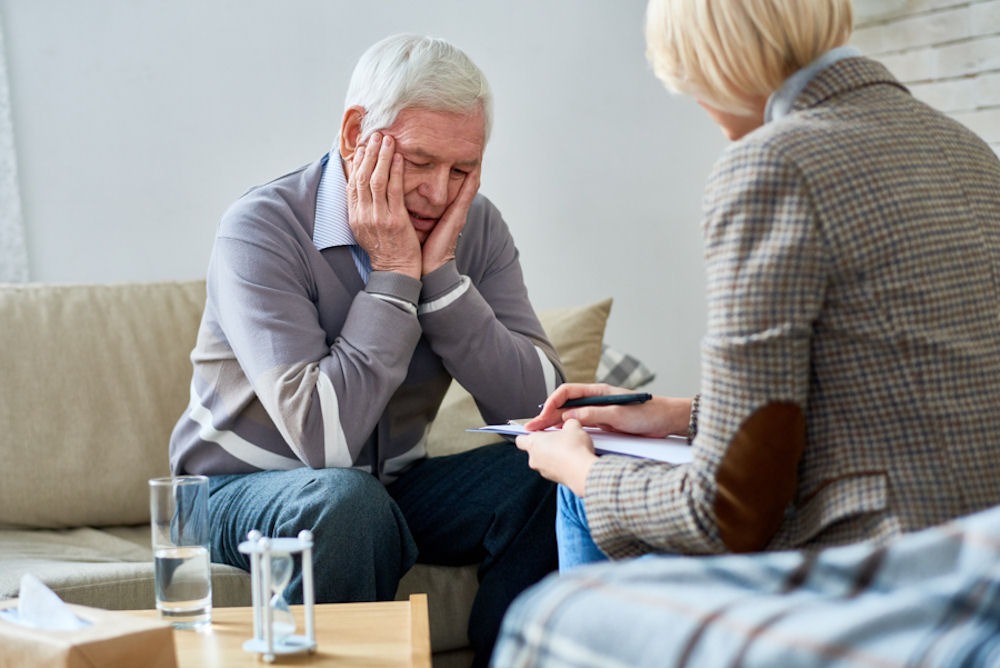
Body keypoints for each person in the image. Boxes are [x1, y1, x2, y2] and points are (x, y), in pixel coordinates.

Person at [513, 0, 1000, 577]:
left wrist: (581, 470)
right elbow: (886, 396)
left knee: (581, 505)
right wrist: (674, 415)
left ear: (717, 61)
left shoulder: (773, 164)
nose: (698, 103)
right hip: (978, 547)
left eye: (690, 79)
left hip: (882, 567)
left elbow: (728, 513)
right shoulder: (967, 150)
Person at [168, 33, 560, 665]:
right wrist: (397, 273)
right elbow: (324, 444)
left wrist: (444, 285)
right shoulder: (261, 228)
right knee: (345, 502)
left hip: (390, 485)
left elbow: (543, 408)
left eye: (461, 170)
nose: (438, 194)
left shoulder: (475, 226)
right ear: (355, 134)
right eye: (419, 161)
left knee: (552, 471)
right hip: (234, 489)